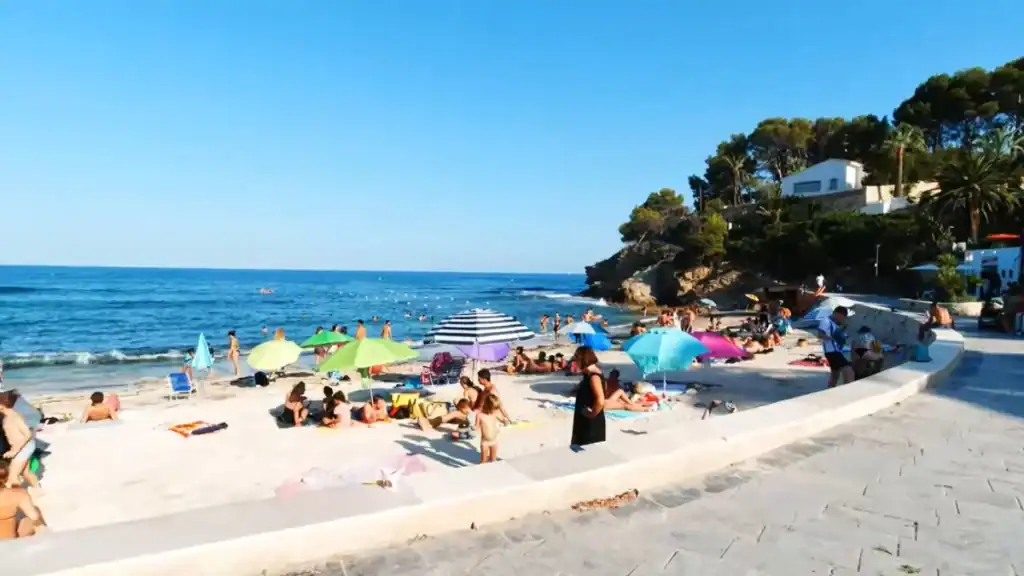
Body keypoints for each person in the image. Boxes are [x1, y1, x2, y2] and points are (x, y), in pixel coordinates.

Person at [0, 392, 40, 490]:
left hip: (24, 447)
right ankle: (38, 490)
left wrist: (15, 450)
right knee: (26, 472)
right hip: (23, 447)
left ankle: (17, 498)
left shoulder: (14, 417)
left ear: (1, 406)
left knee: (12, 477)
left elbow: (28, 434)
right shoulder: (8, 416)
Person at [0, 461, 46, 539]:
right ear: (7, 476)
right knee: (36, 513)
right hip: (8, 540)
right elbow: (34, 516)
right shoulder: (18, 494)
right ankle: (46, 541)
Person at [571, 347, 605, 446]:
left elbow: (600, 400)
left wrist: (592, 414)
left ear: (583, 359)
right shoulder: (589, 374)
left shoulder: (594, 377)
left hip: (590, 423)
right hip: (585, 418)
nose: (575, 362)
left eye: (576, 358)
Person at [817, 306, 854, 388]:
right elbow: (820, 335)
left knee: (835, 374)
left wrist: (842, 332)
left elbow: (834, 333)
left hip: (834, 351)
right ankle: (847, 392)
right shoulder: (826, 321)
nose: (842, 320)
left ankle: (829, 392)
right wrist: (834, 338)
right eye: (842, 317)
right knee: (849, 371)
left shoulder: (833, 323)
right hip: (833, 352)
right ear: (837, 314)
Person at [476, 395, 502, 464]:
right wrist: (473, 428)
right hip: (485, 442)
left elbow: (502, 419)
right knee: (483, 461)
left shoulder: (495, 414)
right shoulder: (480, 415)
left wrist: (505, 421)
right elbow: (477, 426)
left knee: (493, 460)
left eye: (496, 408)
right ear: (488, 406)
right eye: (494, 408)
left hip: (494, 441)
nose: (496, 410)